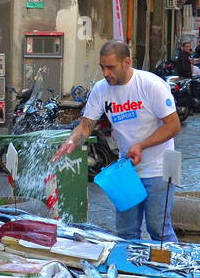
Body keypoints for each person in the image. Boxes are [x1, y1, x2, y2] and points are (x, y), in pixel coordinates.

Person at [53, 39, 182, 242]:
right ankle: (128, 271)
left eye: (110, 67)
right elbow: (86, 125)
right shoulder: (100, 89)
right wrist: (72, 140)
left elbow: (173, 126)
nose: (105, 73)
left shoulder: (151, 85)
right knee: (127, 233)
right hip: (126, 170)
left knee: (159, 230)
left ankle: (173, 270)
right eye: (102, 67)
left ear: (127, 63)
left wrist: (141, 145)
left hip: (160, 167)